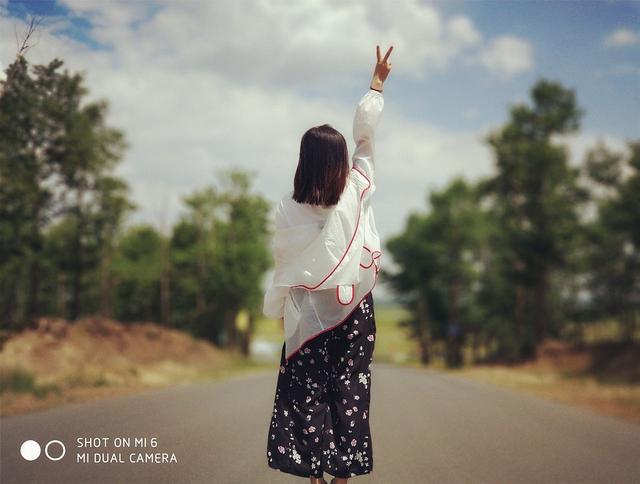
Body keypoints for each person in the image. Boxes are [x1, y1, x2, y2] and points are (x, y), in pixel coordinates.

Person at [264, 44, 393, 484]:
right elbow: (365, 141)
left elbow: (284, 260)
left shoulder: (287, 206)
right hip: (353, 308)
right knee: (350, 388)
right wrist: (375, 87)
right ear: (340, 162)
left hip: (307, 313)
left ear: (304, 161)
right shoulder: (356, 189)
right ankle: (342, 477)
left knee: (308, 390)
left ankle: (315, 475)